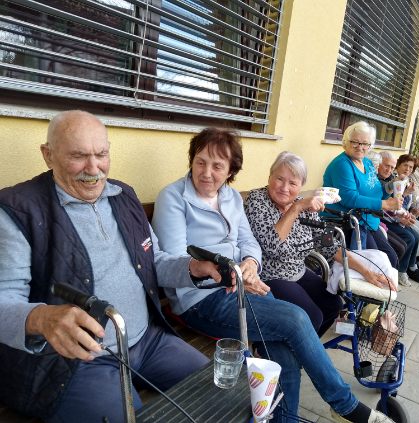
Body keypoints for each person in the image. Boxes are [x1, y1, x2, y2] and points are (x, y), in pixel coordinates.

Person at [151, 128, 393, 423]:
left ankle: (285, 419)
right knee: (296, 319)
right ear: (191, 160)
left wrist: (251, 263)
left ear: (230, 171)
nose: (207, 173)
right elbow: (176, 262)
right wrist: (233, 274)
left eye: (217, 166)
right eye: (200, 162)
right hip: (201, 297)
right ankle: (345, 405)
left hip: (245, 287)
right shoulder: (174, 198)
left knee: (283, 349)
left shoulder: (230, 197)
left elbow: (249, 242)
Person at [0, 111, 208, 423]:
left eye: (101, 154)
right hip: (77, 361)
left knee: (219, 384)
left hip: (148, 341)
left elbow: (154, 262)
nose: (93, 168)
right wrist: (40, 318)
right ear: (48, 155)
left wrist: (193, 268)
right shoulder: (19, 209)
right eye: (78, 156)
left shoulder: (124, 196)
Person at [244, 151, 393, 336]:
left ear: (301, 186)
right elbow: (272, 247)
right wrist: (296, 209)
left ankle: (300, 347)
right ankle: (285, 347)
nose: (284, 187)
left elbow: (329, 246)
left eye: (292, 183)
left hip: (298, 271)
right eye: (279, 179)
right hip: (268, 276)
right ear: (269, 177)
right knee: (313, 316)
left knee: (333, 305)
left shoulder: (303, 205)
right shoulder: (258, 200)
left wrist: (367, 271)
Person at [322, 121, 401, 265]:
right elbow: (349, 198)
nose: (360, 147)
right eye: (355, 142)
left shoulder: (367, 163)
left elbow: (377, 192)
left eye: (365, 143)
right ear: (346, 142)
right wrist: (383, 204)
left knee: (391, 257)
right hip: (349, 224)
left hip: (368, 222)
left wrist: (392, 188)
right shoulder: (342, 164)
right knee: (378, 263)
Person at [377, 152, 419, 285]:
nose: (407, 169)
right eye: (405, 165)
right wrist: (401, 217)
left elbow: (400, 205)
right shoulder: (390, 182)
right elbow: (386, 206)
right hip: (385, 219)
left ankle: (415, 265)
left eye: (411, 167)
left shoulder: (402, 181)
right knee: (411, 237)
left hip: (394, 217)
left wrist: (412, 212)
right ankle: (402, 270)